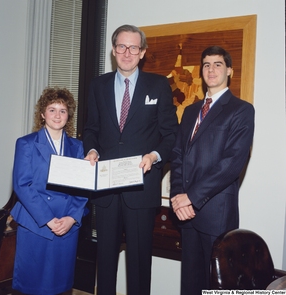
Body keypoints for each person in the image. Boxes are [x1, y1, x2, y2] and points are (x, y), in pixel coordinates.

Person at [83, 24, 178, 295]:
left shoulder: (159, 85)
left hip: (142, 186)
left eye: (133, 47)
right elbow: (91, 129)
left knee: (139, 263)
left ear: (142, 52)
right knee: (106, 260)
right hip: (107, 190)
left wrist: (155, 155)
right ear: (114, 50)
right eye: (121, 46)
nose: (127, 52)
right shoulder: (98, 85)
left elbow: (171, 134)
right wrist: (91, 150)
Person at [170, 46, 255, 295]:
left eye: (218, 64)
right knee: (190, 284)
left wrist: (192, 197)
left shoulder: (241, 110)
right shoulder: (189, 112)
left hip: (216, 213)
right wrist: (178, 196)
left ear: (229, 70)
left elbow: (231, 164)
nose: (211, 69)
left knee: (217, 285)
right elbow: (177, 157)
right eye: (206, 64)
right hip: (185, 214)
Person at [11, 87, 89, 295]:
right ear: (42, 114)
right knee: (33, 283)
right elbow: (22, 185)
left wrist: (72, 218)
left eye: (62, 111)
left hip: (66, 224)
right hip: (36, 222)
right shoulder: (26, 143)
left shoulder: (77, 146)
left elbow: (82, 186)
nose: (57, 115)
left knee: (60, 284)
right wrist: (47, 219)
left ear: (68, 115)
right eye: (52, 109)